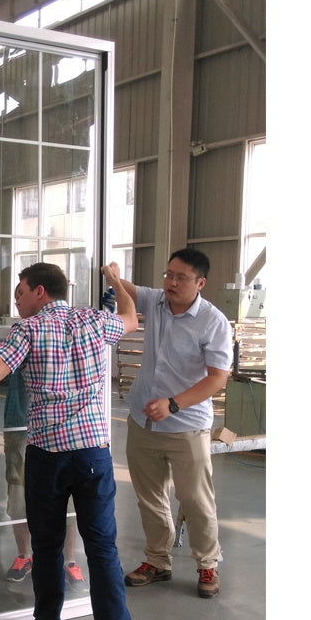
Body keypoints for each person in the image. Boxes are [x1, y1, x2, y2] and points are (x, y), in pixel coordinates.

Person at [0, 261, 138, 620]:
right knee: (103, 549)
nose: (17, 301)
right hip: (93, 454)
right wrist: (116, 281)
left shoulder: (28, 330)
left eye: (20, 292)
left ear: (40, 292)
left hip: (48, 455)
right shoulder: (94, 321)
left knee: (46, 546)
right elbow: (131, 316)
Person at [119, 248, 232, 599]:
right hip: (143, 421)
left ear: (200, 283)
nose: (171, 282)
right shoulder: (156, 301)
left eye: (180, 278)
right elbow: (129, 289)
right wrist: (112, 275)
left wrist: (173, 404)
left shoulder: (213, 322)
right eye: (168, 274)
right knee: (150, 497)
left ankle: (207, 564)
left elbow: (217, 378)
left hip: (186, 426)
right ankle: (157, 561)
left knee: (195, 500)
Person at [3, 367, 87, 593]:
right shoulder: (21, 340)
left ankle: (69, 561)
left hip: (64, 423)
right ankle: (25, 555)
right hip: (20, 423)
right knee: (18, 491)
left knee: (66, 494)